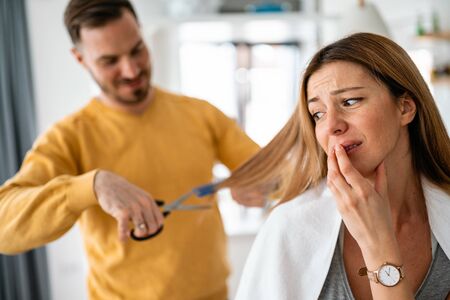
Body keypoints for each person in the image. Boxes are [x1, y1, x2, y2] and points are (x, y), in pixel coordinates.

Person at [0, 0, 264, 299]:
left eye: (137, 49)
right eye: (109, 61)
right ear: (80, 59)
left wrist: (264, 184)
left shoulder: (200, 114)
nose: (131, 69)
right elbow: (4, 227)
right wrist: (92, 186)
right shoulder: (68, 137)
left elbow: (273, 170)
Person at [218, 33, 450, 299]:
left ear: (405, 108)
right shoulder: (289, 228)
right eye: (318, 114)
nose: (331, 126)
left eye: (350, 101)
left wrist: (378, 244)